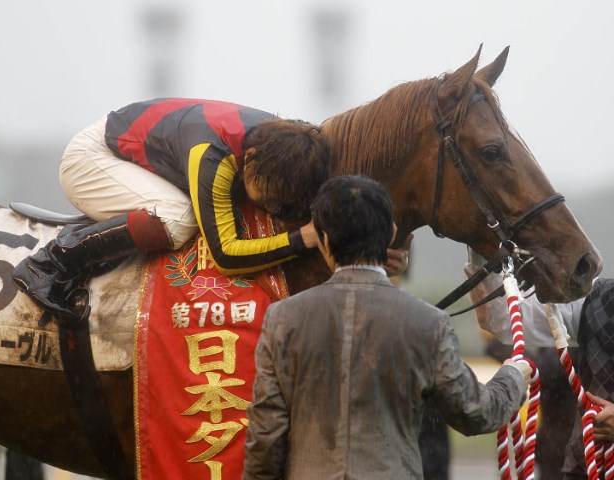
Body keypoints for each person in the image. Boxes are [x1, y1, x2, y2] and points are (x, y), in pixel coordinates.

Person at [242, 175, 531, 480]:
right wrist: (513, 376)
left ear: (324, 240)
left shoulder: (282, 318)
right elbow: (474, 413)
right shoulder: (429, 322)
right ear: (391, 232)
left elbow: (266, 436)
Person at [12, 98, 330, 322]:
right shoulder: (213, 157)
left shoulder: (289, 142)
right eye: (269, 195)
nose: (273, 207)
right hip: (91, 160)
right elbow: (227, 255)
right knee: (178, 219)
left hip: (147, 154)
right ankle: (50, 263)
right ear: (252, 157)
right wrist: (302, 238)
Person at [465, 248, 614, 479]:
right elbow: (500, 315)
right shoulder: (600, 301)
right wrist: (479, 241)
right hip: (578, 466)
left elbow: (548, 371)